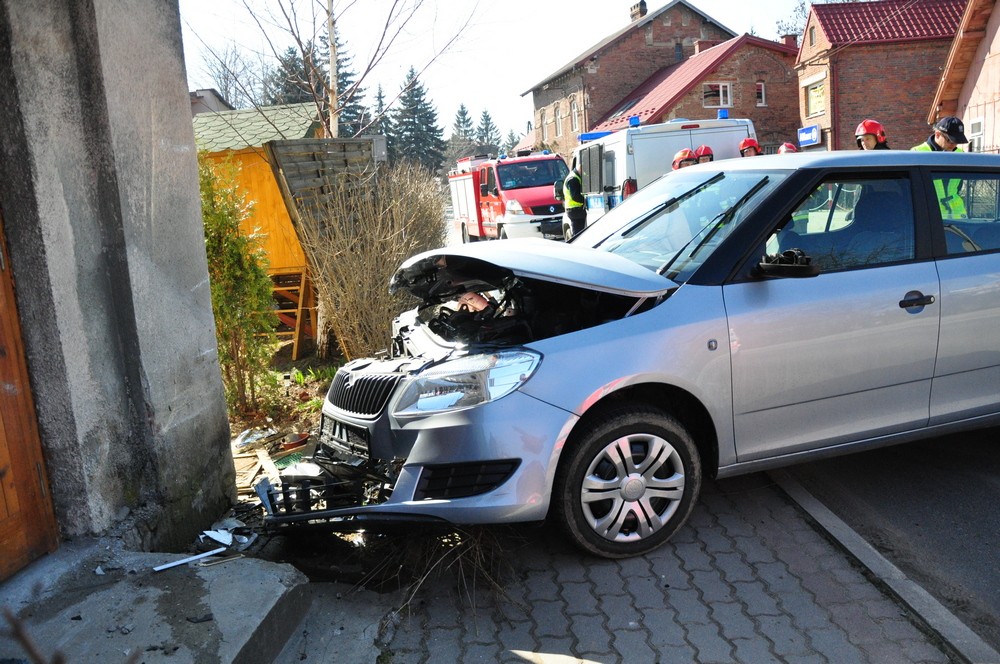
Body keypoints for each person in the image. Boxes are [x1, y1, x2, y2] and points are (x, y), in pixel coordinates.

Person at [563, 159, 587, 237]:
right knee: (578, 234)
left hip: (574, 210)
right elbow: (575, 196)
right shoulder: (573, 179)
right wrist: (586, 201)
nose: (585, 172)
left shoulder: (574, 176)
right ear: (580, 167)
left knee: (578, 232)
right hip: (575, 210)